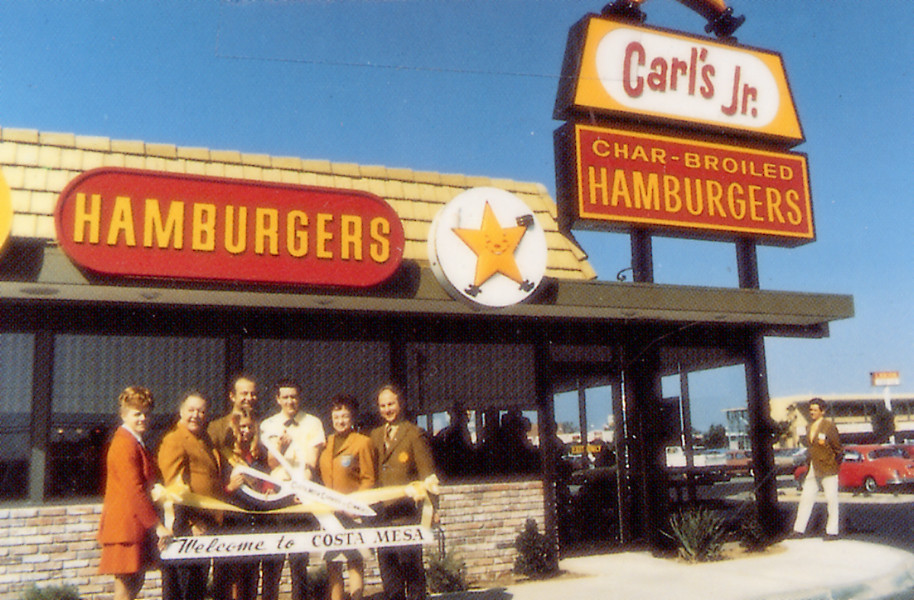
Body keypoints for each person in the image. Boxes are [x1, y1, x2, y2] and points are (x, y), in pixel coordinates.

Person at [97, 386, 172, 600]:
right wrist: (157, 526)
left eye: (146, 413)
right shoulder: (124, 444)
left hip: (133, 527)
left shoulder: (135, 443)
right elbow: (134, 491)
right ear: (124, 414)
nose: (143, 418)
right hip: (125, 529)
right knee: (126, 590)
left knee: (134, 585)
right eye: (136, 413)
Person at [259, 378, 326, 600]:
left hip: (300, 496)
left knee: (299, 562)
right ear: (278, 399)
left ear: (300, 397)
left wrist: (302, 489)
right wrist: (281, 446)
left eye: (294, 396)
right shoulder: (268, 425)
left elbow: (312, 463)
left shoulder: (313, 423)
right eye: (285, 397)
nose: (290, 401)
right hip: (276, 496)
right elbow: (270, 463)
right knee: (273, 561)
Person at [157, 392, 226, 600]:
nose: (196, 415)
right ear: (181, 412)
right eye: (191, 410)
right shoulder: (175, 440)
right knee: (183, 588)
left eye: (202, 411)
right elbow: (174, 487)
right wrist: (191, 519)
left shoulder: (204, 439)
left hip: (207, 522)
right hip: (187, 524)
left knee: (197, 587)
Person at [370, 384, 436, 600]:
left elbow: (428, 476)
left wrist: (433, 507)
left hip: (406, 513)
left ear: (401, 404)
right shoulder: (375, 435)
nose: (387, 409)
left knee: (411, 567)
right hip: (383, 514)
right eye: (382, 405)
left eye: (391, 404)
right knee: (389, 572)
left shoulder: (414, 434)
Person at [318, 395, 377, 600]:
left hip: (353, 513)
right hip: (330, 514)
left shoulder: (363, 442)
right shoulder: (325, 443)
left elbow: (369, 479)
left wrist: (355, 504)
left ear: (352, 417)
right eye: (336, 416)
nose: (340, 421)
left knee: (354, 559)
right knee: (333, 562)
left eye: (344, 416)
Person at [223, 408, 278, 600]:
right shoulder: (226, 454)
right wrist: (229, 487)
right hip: (237, 519)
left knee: (258, 574)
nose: (246, 431)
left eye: (249, 427)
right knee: (239, 576)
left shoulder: (260, 453)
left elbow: (269, 475)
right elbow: (217, 486)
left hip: (260, 516)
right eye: (242, 427)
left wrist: (269, 488)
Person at [792, 397, 843, 540]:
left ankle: (832, 531)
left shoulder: (829, 426)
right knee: (806, 498)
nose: (812, 412)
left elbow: (838, 449)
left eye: (815, 410)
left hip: (828, 469)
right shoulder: (808, 427)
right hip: (813, 469)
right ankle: (798, 530)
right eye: (810, 410)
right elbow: (811, 448)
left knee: (831, 500)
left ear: (823, 411)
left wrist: (834, 465)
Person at [209, 375, 259, 462]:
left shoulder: (262, 425)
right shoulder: (216, 427)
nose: (249, 398)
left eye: (253, 394)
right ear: (232, 396)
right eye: (244, 394)